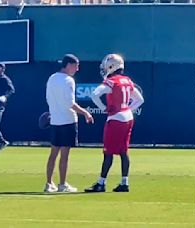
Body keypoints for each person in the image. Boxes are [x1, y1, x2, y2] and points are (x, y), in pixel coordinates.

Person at [85, 54, 144, 193]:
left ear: (112, 66)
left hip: (115, 118)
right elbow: (140, 99)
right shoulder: (127, 81)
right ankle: (124, 183)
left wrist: (104, 108)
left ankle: (101, 183)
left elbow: (94, 95)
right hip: (128, 117)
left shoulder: (112, 81)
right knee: (124, 152)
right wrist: (128, 109)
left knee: (108, 152)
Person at [44, 54, 94, 193]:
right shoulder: (68, 80)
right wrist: (85, 112)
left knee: (54, 153)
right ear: (69, 65)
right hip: (67, 121)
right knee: (64, 154)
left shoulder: (52, 78)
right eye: (76, 65)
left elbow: (49, 99)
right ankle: (62, 184)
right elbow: (70, 103)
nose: (77, 69)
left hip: (55, 121)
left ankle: (49, 184)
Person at [0, 63, 15, 153]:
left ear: (2, 70)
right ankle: (2, 141)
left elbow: (12, 90)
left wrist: (5, 97)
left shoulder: (5, 79)